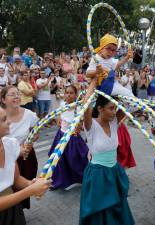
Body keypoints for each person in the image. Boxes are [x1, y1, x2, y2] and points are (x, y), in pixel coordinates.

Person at [79, 78, 134, 225]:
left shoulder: (114, 121)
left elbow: (130, 101)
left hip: (114, 172)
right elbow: (86, 106)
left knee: (117, 209)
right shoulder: (91, 125)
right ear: (100, 108)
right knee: (100, 212)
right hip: (98, 175)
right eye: (111, 108)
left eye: (115, 108)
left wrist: (112, 83)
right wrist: (94, 81)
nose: (114, 111)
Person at [0, 86, 40, 209]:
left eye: (18, 94)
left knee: (22, 188)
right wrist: (16, 150)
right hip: (4, 158)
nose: (17, 96)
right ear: (3, 99)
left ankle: (18, 213)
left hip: (26, 158)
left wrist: (29, 144)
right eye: (12, 94)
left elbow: (36, 133)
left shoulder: (30, 114)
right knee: (6, 190)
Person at [48, 85, 89, 190]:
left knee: (76, 159)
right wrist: (59, 120)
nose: (69, 95)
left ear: (76, 95)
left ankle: (84, 178)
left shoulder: (79, 107)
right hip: (61, 135)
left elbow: (82, 125)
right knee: (57, 159)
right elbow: (60, 118)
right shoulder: (62, 104)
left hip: (73, 137)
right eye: (67, 93)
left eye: (71, 93)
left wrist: (78, 126)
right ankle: (57, 181)